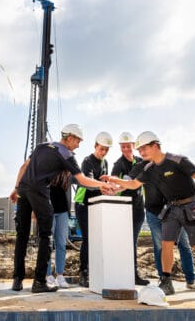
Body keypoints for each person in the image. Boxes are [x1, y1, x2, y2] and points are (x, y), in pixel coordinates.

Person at [104, 131, 195, 299]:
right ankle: (166, 282)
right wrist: (113, 180)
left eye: (144, 149)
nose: (141, 153)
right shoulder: (149, 168)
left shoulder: (177, 160)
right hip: (171, 208)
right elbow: (133, 184)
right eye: (140, 150)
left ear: (155, 146)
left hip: (191, 206)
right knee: (166, 245)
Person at [9, 124, 116, 293]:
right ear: (70, 137)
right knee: (46, 235)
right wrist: (103, 185)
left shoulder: (42, 146)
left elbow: (24, 167)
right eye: (78, 141)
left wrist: (16, 188)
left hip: (23, 189)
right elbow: (82, 180)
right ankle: (39, 282)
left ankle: (17, 280)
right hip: (39, 191)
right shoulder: (66, 154)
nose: (78, 145)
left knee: (22, 235)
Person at [129, 160, 195, 291]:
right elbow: (129, 180)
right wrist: (112, 183)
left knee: (184, 245)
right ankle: (164, 281)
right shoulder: (141, 167)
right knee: (160, 247)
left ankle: (191, 280)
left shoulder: (167, 164)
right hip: (153, 212)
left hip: (172, 210)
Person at [73, 131, 113, 288]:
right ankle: (83, 272)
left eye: (106, 150)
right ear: (95, 146)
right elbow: (89, 183)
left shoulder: (105, 163)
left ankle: (95, 271)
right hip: (83, 204)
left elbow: (102, 184)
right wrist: (103, 187)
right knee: (88, 238)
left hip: (97, 204)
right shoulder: (87, 161)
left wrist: (107, 188)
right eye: (101, 149)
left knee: (97, 239)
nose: (103, 152)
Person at [111, 132, 149, 286]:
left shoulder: (141, 161)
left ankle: (133, 274)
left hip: (139, 207)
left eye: (128, 146)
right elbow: (113, 185)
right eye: (123, 146)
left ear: (134, 146)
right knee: (124, 241)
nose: (126, 149)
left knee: (132, 241)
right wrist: (113, 188)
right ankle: (124, 273)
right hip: (123, 208)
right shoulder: (118, 164)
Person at [46, 172, 71, 288]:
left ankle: (60, 275)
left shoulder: (67, 173)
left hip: (63, 211)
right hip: (49, 210)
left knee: (61, 244)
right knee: (47, 243)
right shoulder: (48, 168)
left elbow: (82, 180)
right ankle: (47, 275)